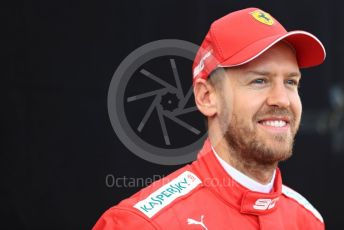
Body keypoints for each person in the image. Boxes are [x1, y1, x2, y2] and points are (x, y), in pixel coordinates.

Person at [93, 7, 326, 229]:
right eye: (259, 81)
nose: (282, 100)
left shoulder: (308, 220)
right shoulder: (141, 224)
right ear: (207, 97)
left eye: (290, 82)